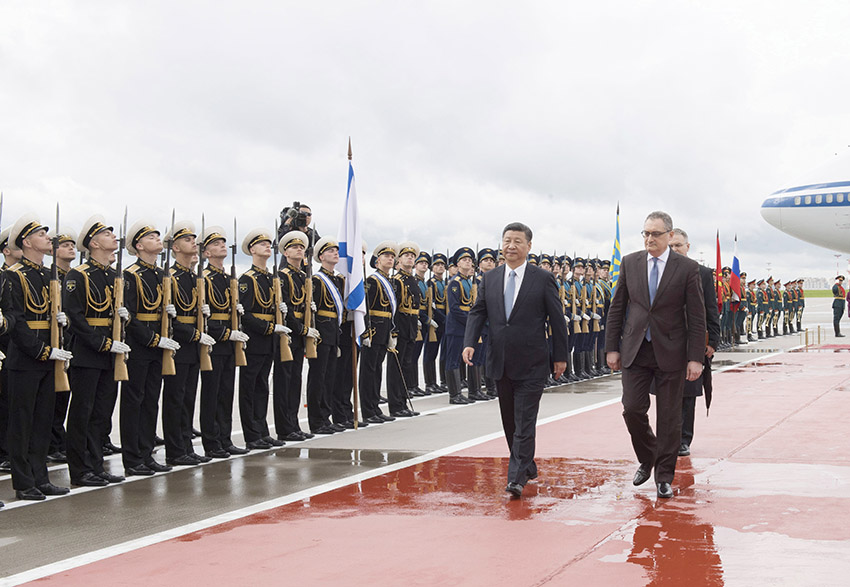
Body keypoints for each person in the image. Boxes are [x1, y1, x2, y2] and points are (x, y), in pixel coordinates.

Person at [462, 222, 568, 498]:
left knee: (524, 420)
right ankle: (526, 464)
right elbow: (477, 312)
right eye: (507, 240)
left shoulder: (542, 278)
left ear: (528, 246)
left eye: (517, 241)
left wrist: (560, 357)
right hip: (500, 360)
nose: (511, 246)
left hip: (533, 362)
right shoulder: (491, 278)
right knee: (509, 420)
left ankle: (516, 478)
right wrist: (469, 342)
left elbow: (557, 320)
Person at [605, 211, 705, 499]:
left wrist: (695, 357)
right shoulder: (630, 263)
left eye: (656, 234)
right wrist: (612, 347)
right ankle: (648, 455)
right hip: (636, 349)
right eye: (646, 233)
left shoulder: (686, 269)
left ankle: (663, 475)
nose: (650, 238)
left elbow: (696, 317)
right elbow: (617, 308)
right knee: (633, 409)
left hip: (671, 351)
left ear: (670, 236)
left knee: (669, 418)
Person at [4, 214, 72, 500]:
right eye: (42, 235)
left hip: (50, 356)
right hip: (26, 358)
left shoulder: (49, 275)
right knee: (22, 422)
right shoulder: (12, 276)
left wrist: (62, 326)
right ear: (27, 241)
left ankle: (40, 476)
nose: (48, 239)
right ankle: (23, 482)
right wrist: (43, 351)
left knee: (43, 420)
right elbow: (16, 321)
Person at [64, 215, 129, 487]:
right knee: (82, 412)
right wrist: (103, 343)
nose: (113, 238)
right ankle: (80, 470)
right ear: (93, 243)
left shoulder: (114, 276)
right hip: (88, 352)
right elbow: (75, 318)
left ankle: (96, 465)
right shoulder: (77, 275)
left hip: (109, 353)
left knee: (102, 412)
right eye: (107, 234)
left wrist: (124, 319)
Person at [121, 220, 179, 476]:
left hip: (158, 345)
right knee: (134, 402)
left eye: (158, 236)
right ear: (138, 245)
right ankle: (132, 458)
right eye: (152, 237)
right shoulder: (130, 275)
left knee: (150, 402)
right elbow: (129, 318)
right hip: (140, 346)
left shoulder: (160, 274)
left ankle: (146, 453)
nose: (158, 240)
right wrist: (155, 340)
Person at [668, 228, 719, 457]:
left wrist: (713, 341)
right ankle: (668, 435)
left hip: (692, 340)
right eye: (670, 246)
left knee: (689, 391)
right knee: (667, 391)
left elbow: (711, 308)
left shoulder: (703, 273)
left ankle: (684, 439)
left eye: (678, 245)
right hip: (666, 341)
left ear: (688, 247)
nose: (674, 250)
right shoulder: (659, 271)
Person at [305, 236, 345, 435]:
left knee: (330, 377)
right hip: (321, 331)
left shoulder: (337, 279)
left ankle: (326, 417)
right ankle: (316, 419)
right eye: (330, 251)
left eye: (336, 251)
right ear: (321, 257)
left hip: (333, 332)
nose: (335, 253)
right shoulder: (316, 279)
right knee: (318, 377)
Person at [46, 226, 77, 465]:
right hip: (52, 344)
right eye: (65, 245)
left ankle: (58, 440)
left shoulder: (74, 276)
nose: (71, 248)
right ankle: (53, 442)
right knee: (53, 399)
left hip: (71, 343)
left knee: (64, 396)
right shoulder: (50, 276)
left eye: (72, 244)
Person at [358, 241, 398, 424]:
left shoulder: (389, 281)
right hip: (373, 331)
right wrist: (365, 332)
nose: (390, 259)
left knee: (377, 371)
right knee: (369, 371)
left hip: (384, 330)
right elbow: (365, 308)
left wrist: (391, 333)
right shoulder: (372, 281)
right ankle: (368, 410)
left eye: (392, 256)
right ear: (377, 261)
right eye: (386, 256)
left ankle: (375, 407)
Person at [0, 228, 23, 475]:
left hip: (8, 348)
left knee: (8, 405)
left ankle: (7, 451)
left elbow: (10, 313)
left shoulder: (6, 278)